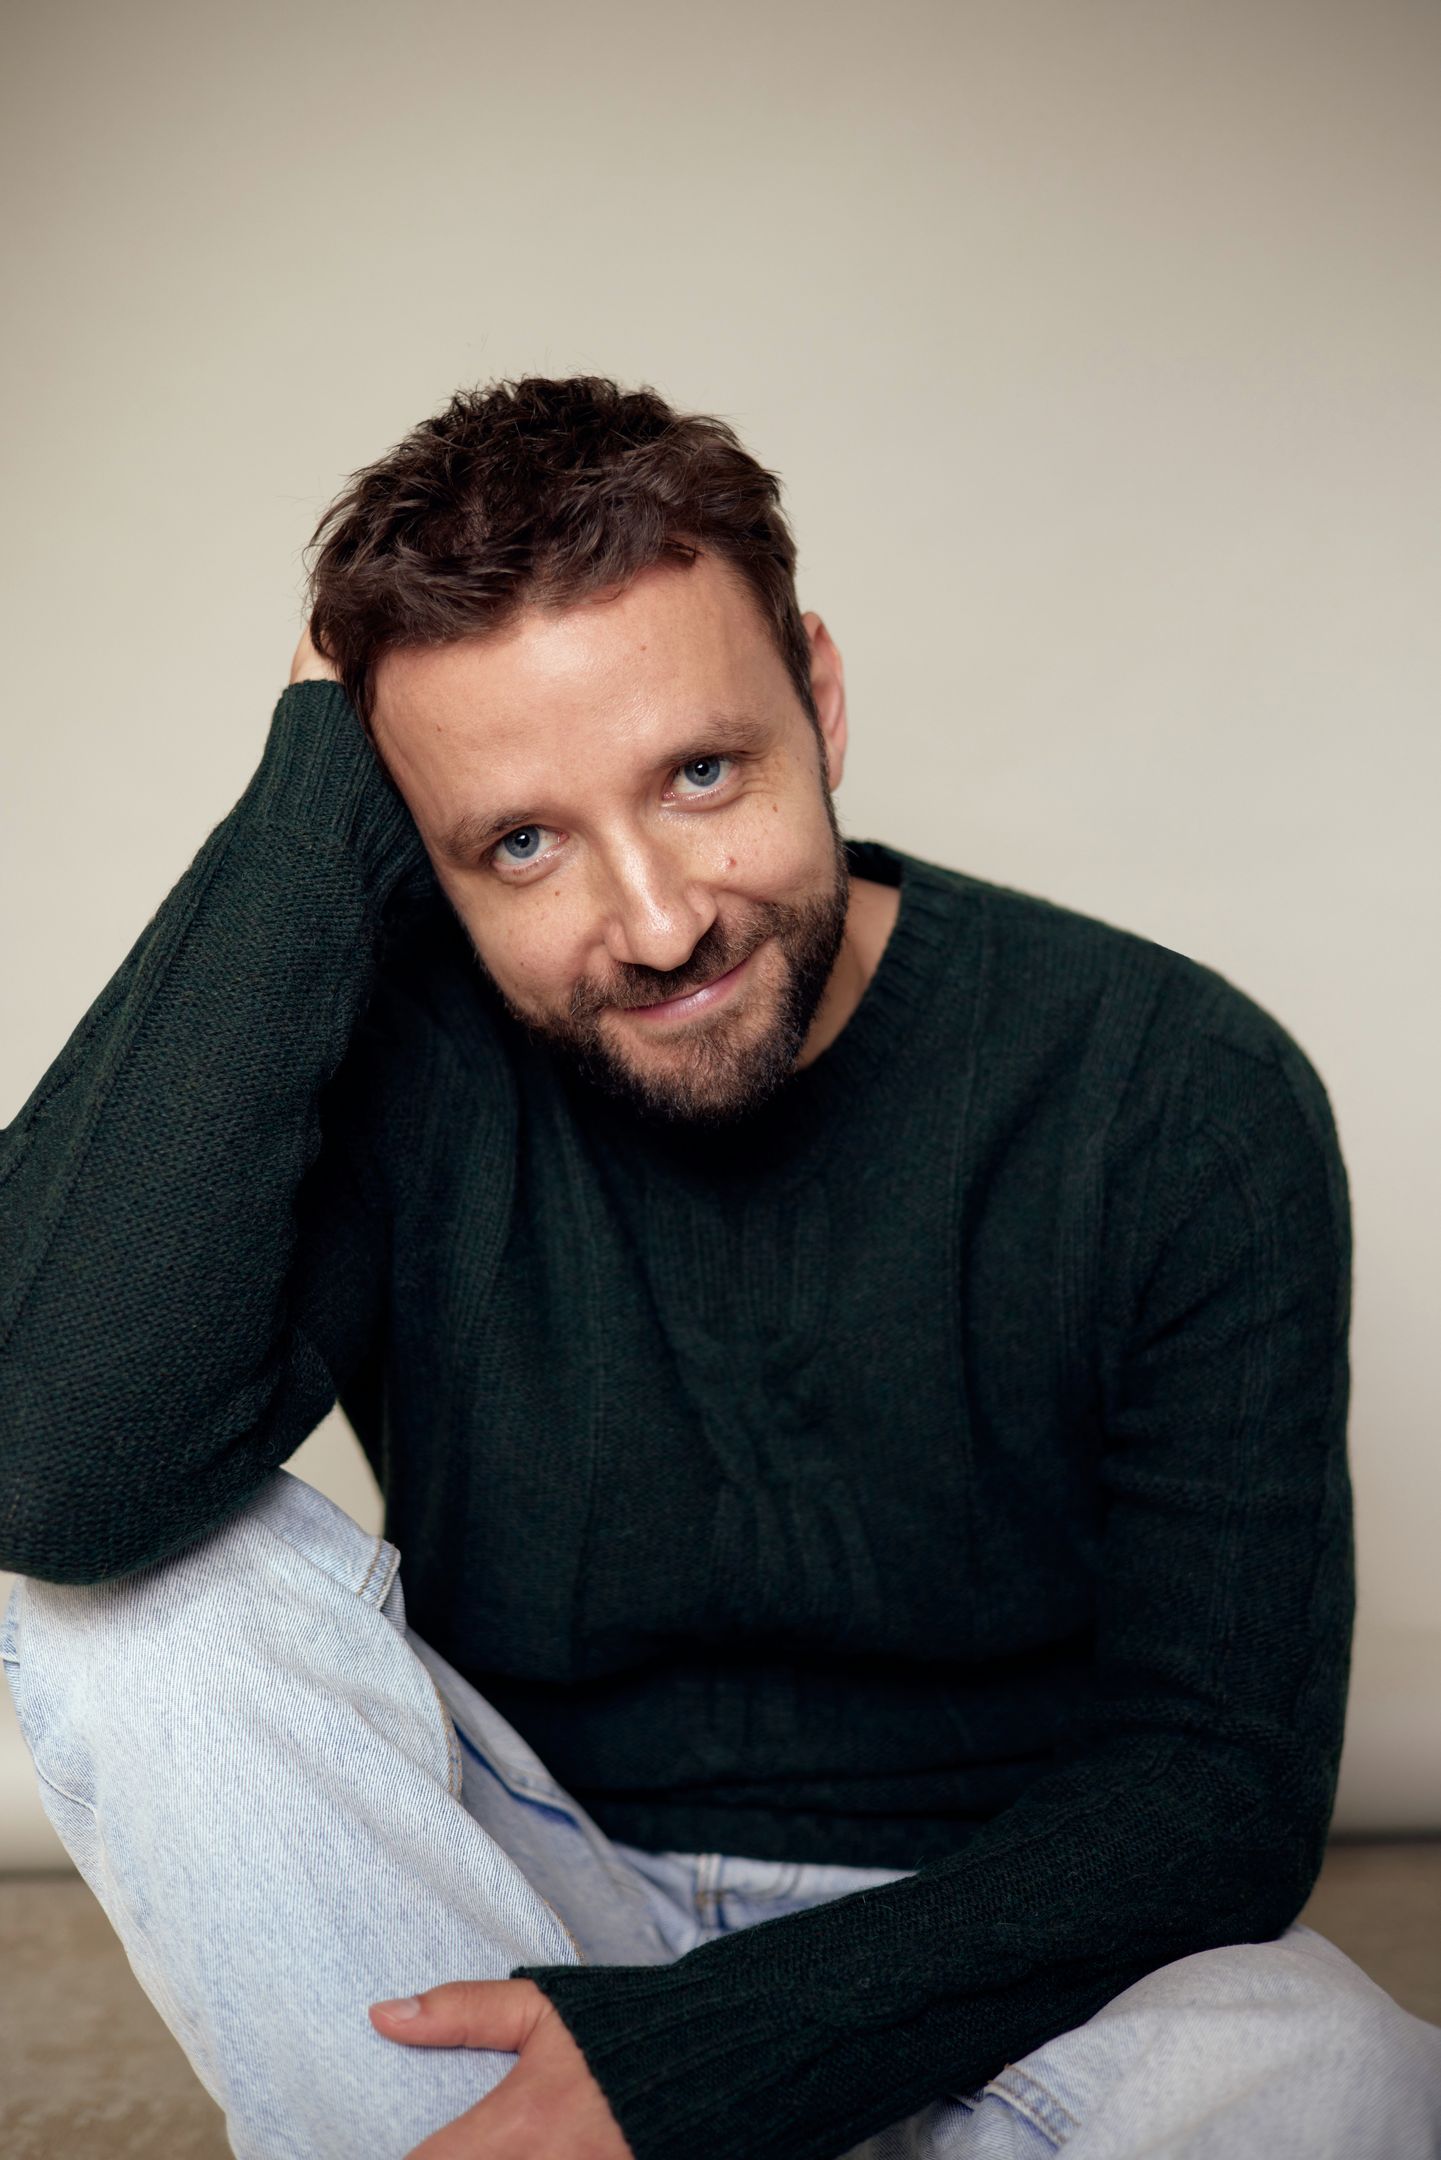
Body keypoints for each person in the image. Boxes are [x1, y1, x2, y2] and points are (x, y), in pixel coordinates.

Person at [1, 374, 1437, 2160]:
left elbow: (1218, 1788)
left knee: (1340, 2075)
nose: (661, 921)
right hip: (523, 1912)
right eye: (519, 840)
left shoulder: (1173, 1086)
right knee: (129, 1607)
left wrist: (710, 2061)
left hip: (1007, 1956)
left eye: (699, 774)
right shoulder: (403, 1066)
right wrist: (309, 804)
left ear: (816, 697)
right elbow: (49, 1470)